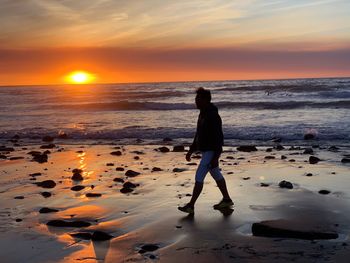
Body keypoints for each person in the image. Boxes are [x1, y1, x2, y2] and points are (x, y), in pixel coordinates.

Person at [178, 87, 233, 214]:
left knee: (199, 177)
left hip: (211, 151)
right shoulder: (203, 113)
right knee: (216, 174)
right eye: (196, 98)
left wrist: (216, 157)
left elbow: (219, 137)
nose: (196, 101)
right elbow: (198, 134)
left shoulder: (213, 115)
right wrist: (190, 150)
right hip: (206, 150)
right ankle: (227, 199)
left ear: (206, 100)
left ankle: (191, 206)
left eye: (198, 98)